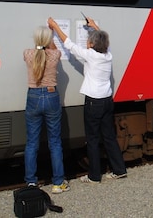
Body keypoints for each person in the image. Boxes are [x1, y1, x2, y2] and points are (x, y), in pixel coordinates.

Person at [48, 16, 127, 183]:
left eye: (89, 41)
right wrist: (94, 27)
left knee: (92, 139)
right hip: (107, 101)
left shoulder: (90, 55)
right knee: (109, 136)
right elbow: (103, 41)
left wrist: (54, 26)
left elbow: (68, 43)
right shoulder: (108, 55)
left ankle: (94, 176)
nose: (86, 42)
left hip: (93, 102)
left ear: (91, 44)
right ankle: (120, 170)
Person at [23, 26, 70, 194]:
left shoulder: (27, 54)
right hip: (51, 96)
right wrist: (51, 38)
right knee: (55, 142)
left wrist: (40, 43)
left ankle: (31, 183)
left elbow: (38, 51)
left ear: (36, 39)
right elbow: (54, 49)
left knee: (32, 143)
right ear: (48, 40)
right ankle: (58, 183)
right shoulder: (55, 55)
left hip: (33, 97)